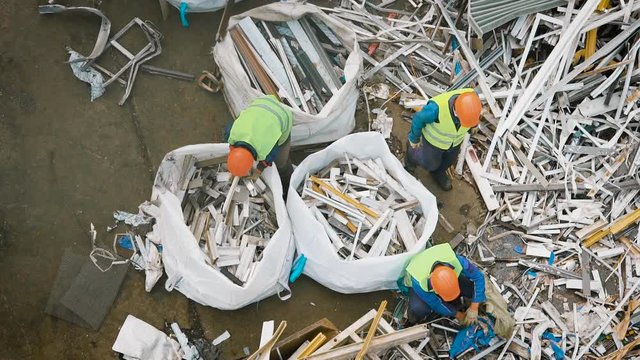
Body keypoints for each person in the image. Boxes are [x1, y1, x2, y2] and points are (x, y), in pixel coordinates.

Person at [405, 89, 482, 191]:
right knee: (431, 164)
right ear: (457, 114)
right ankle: (411, 157)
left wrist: (474, 124)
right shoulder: (436, 109)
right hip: (433, 143)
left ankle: (438, 173)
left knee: (449, 161)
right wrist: (414, 139)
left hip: (454, 143)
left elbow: (473, 113)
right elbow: (418, 118)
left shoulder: (472, 98)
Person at [400, 243, 486, 326]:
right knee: (419, 308)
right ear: (434, 289)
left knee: (471, 288)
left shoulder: (456, 260)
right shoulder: (419, 282)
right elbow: (436, 303)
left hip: (436, 265)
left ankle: (475, 301)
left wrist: (474, 306)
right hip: (416, 287)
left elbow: (478, 277)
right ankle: (412, 318)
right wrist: (458, 315)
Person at [226, 95, 294, 188]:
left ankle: (288, 184)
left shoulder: (266, 147)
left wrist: (258, 171)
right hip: (262, 103)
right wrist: (235, 168)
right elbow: (231, 143)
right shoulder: (232, 133)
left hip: (282, 115)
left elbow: (269, 158)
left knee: (281, 162)